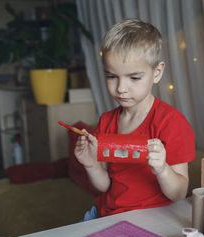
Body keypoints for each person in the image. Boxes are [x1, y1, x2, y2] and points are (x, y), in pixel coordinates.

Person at [75, 18, 195, 219]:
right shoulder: (106, 122)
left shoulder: (171, 123)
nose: (121, 88)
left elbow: (179, 194)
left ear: (157, 73)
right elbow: (105, 186)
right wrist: (91, 165)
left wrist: (162, 169)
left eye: (134, 78)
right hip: (109, 215)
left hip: (153, 219)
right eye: (112, 76)